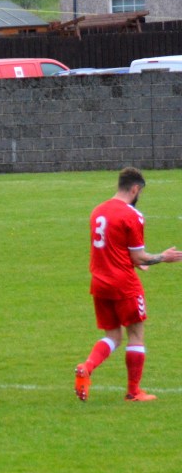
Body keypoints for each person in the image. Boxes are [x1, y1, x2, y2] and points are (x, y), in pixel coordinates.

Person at [74, 167, 182, 402]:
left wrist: (134, 261)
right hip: (124, 285)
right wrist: (163, 257)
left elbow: (113, 248)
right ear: (135, 189)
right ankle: (134, 391)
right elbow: (139, 256)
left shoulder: (97, 211)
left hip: (99, 283)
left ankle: (87, 367)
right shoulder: (133, 215)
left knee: (113, 336)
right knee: (135, 334)